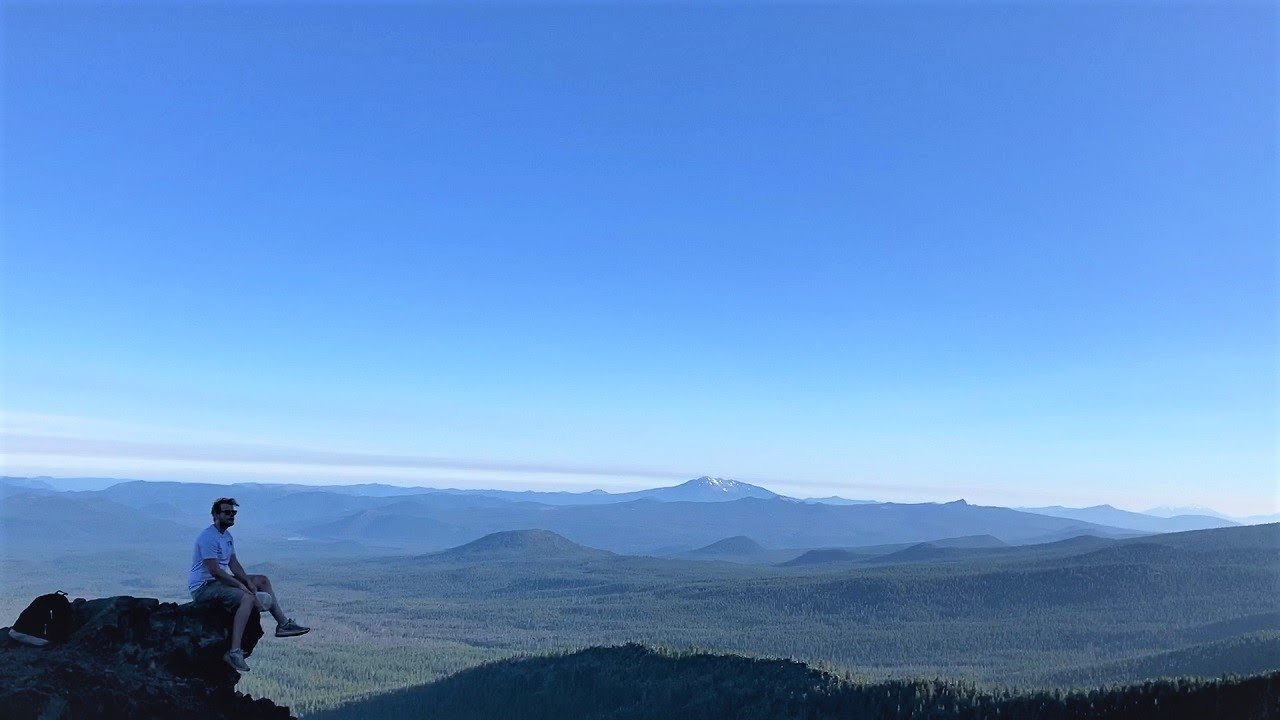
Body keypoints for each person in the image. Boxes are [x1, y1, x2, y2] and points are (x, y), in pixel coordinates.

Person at [187, 497, 310, 671]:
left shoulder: (226, 536)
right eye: (227, 512)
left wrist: (247, 582)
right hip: (204, 587)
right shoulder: (208, 538)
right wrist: (242, 587)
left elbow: (233, 564)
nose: (231, 516)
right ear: (215, 515)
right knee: (247, 598)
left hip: (218, 581)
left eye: (233, 512)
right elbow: (214, 571)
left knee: (262, 580)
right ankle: (235, 651)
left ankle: (283, 625)